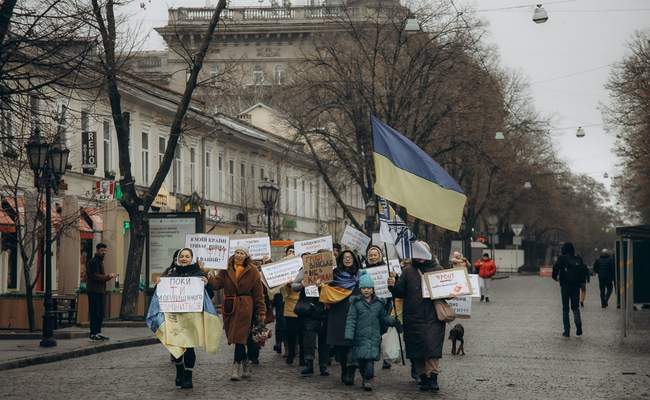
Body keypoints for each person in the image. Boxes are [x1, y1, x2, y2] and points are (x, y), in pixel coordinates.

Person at [387, 241, 447, 392]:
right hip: (413, 316)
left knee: (432, 347)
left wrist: (451, 291)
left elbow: (446, 290)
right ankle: (423, 377)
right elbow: (400, 292)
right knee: (417, 348)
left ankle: (433, 377)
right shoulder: (408, 271)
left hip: (433, 317)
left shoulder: (437, 269)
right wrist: (392, 286)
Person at [157, 248, 212, 389]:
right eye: (182, 256)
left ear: (191, 258)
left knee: (189, 346)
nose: (184, 258)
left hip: (192, 316)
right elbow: (161, 293)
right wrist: (159, 283)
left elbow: (209, 295)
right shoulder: (171, 273)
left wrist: (206, 284)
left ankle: (188, 375)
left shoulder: (199, 274)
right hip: (174, 316)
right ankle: (179, 370)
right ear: (178, 258)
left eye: (187, 256)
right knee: (176, 346)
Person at [209, 246, 266, 381]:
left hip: (247, 307)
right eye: (237, 252)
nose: (239, 255)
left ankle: (236, 366)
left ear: (246, 256)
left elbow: (259, 294)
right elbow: (217, 284)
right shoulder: (226, 268)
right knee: (236, 337)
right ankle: (245, 361)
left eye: (242, 253)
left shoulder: (253, 271)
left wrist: (261, 310)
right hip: (230, 307)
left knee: (240, 338)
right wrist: (208, 276)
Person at [345, 271, 401, 391]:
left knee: (370, 361)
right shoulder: (355, 304)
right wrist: (349, 335)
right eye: (364, 288)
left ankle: (367, 379)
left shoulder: (379, 304)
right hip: (359, 337)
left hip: (373, 337)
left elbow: (384, 317)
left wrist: (393, 321)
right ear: (360, 289)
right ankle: (364, 377)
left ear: (373, 289)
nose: (366, 290)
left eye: (368, 288)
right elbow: (351, 320)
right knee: (361, 361)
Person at [321, 249, 360, 385]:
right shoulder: (333, 275)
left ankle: (351, 370)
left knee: (352, 344)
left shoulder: (360, 275)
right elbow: (325, 290)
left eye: (350, 257)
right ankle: (344, 368)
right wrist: (321, 286)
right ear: (341, 259)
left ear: (354, 259)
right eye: (345, 257)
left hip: (354, 313)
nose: (348, 259)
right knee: (340, 346)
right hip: (338, 313)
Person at [292, 254, 330, 376]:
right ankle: (309, 364)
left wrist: (323, 285)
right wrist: (302, 284)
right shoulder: (303, 271)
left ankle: (323, 365)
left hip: (323, 307)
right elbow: (294, 286)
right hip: (309, 309)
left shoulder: (328, 271)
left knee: (324, 339)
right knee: (309, 338)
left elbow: (333, 286)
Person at [363, 245, 394, 370]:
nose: (373, 257)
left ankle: (386, 358)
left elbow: (393, 285)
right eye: (371, 255)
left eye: (375, 254)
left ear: (379, 256)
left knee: (383, 331)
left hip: (384, 304)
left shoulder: (386, 268)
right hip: (369, 304)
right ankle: (372, 356)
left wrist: (393, 278)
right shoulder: (364, 270)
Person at [552, 242, 588, 337]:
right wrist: (582, 283)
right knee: (575, 307)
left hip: (565, 286)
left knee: (565, 308)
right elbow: (582, 270)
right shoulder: (578, 259)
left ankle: (567, 330)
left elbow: (555, 268)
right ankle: (578, 326)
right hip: (576, 286)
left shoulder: (562, 258)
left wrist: (555, 277)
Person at [85, 243, 116, 341]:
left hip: (99, 291)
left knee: (100, 313)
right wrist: (108, 276)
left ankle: (97, 332)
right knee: (95, 312)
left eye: (105, 251)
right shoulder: (94, 261)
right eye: (102, 250)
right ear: (97, 250)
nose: (104, 253)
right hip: (94, 291)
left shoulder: (99, 261)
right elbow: (94, 276)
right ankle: (93, 333)